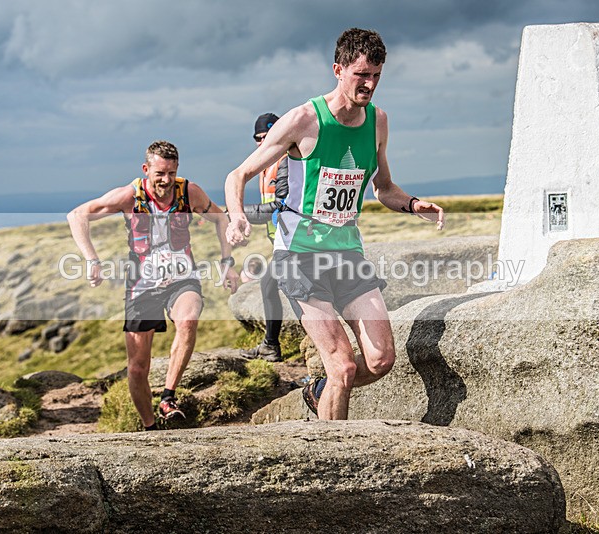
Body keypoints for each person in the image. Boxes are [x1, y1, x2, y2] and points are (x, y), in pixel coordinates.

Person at [225, 28, 445, 420]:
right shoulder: (303, 120)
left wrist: (412, 204)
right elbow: (237, 175)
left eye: (376, 75)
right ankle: (331, 464)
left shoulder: (378, 121)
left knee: (380, 359)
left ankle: (319, 393)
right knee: (342, 365)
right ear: (338, 69)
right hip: (299, 256)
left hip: (346, 254)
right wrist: (238, 216)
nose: (370, 84)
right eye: (362, 74)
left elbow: (383, 186)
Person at [68, 140, 240, 430]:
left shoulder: (189, 192)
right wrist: (91, 260)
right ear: (146, 169)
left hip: (181, 277)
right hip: (142, 285)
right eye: (160, 173)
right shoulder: (129, 196)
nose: (166, 180)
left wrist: (227, 262)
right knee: (137, 368)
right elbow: (77, 215)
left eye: (172, 173)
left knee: (188, 319)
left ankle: (168, 398)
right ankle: (151, 426)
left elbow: (221, 218)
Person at [239, 113, 288, 363]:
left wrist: (238, 215)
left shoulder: (288, 161)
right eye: (257, 138)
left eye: (267, 137)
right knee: (269, 286)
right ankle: (271, 345)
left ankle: (322, 358)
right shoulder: (265, 164)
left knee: (278, 289)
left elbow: (281, 206)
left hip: (297, 244)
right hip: (281, 243)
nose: (262, 142)